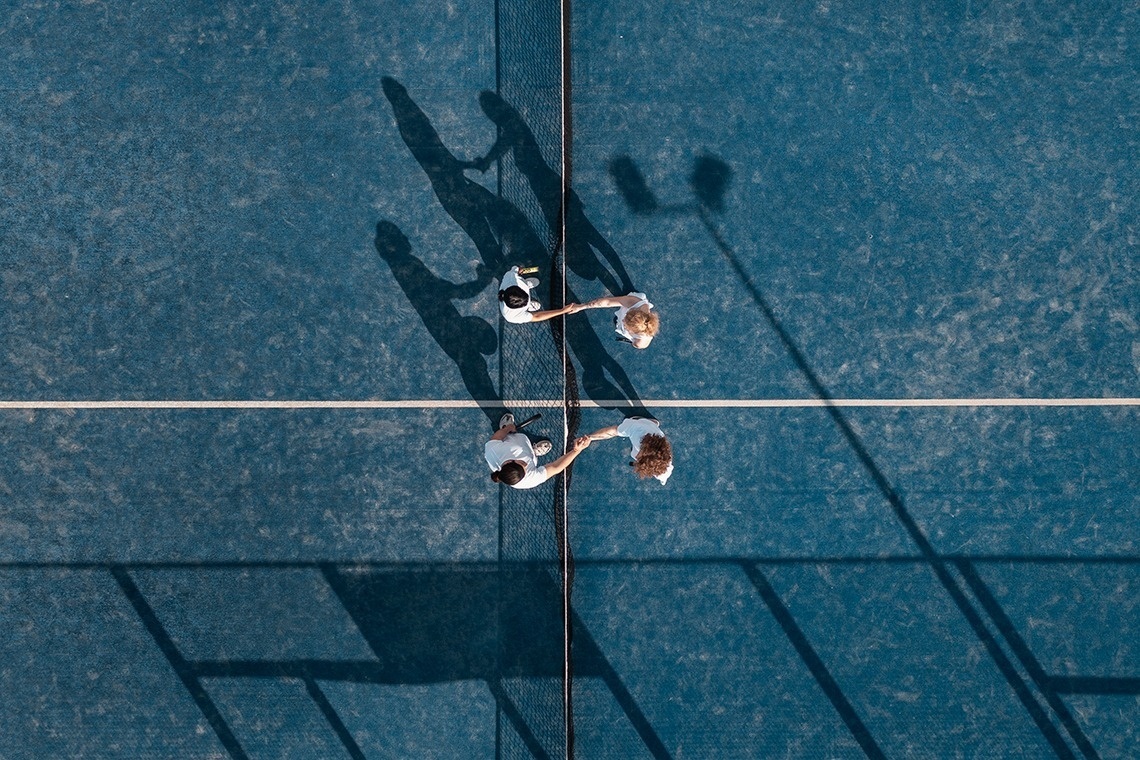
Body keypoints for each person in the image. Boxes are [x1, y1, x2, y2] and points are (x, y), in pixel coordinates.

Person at [486, 413, 592, 488]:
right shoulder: (529, 479)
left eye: (521, 463)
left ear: (509, 461)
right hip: (527, 450)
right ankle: (534, 452)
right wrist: (576, 450)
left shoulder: (494, 451)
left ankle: (506, 427)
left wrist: (507, 429)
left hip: (511, 438)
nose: (526, 464)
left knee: (504, 433)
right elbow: (556, 467)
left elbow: (496, 438)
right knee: (532, 459)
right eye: (525, 468)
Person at [587, 416, 673, 484]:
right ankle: (645, 420)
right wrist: (589, 438)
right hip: (640, 425)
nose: (637, 457)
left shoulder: (665, 468)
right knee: (632, 423)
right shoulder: (637, 430)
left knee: (634, 454)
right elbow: (612, 431)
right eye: (640, 457)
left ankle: (652, 423)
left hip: (651, 431)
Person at [571, 292, 659, 348]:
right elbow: (607, 302)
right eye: (626, 318)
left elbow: (638, 345)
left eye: (625, 323)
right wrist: (581, 307)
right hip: (632, 301)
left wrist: (634, 342)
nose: (623, 320)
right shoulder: (635, 302)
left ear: (632, 331)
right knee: (632, 297)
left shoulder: (641, 341)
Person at [499, 266, 578, 324]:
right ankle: (528, 307)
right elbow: (536, 316)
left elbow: (516, 268)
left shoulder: (511, 277)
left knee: (530, 283)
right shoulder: (511, 316)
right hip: (519, 297)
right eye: (525, 303)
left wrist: (519, 269)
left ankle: (526, 284)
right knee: (537, 307)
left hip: (521, 284)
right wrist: (562, 311)